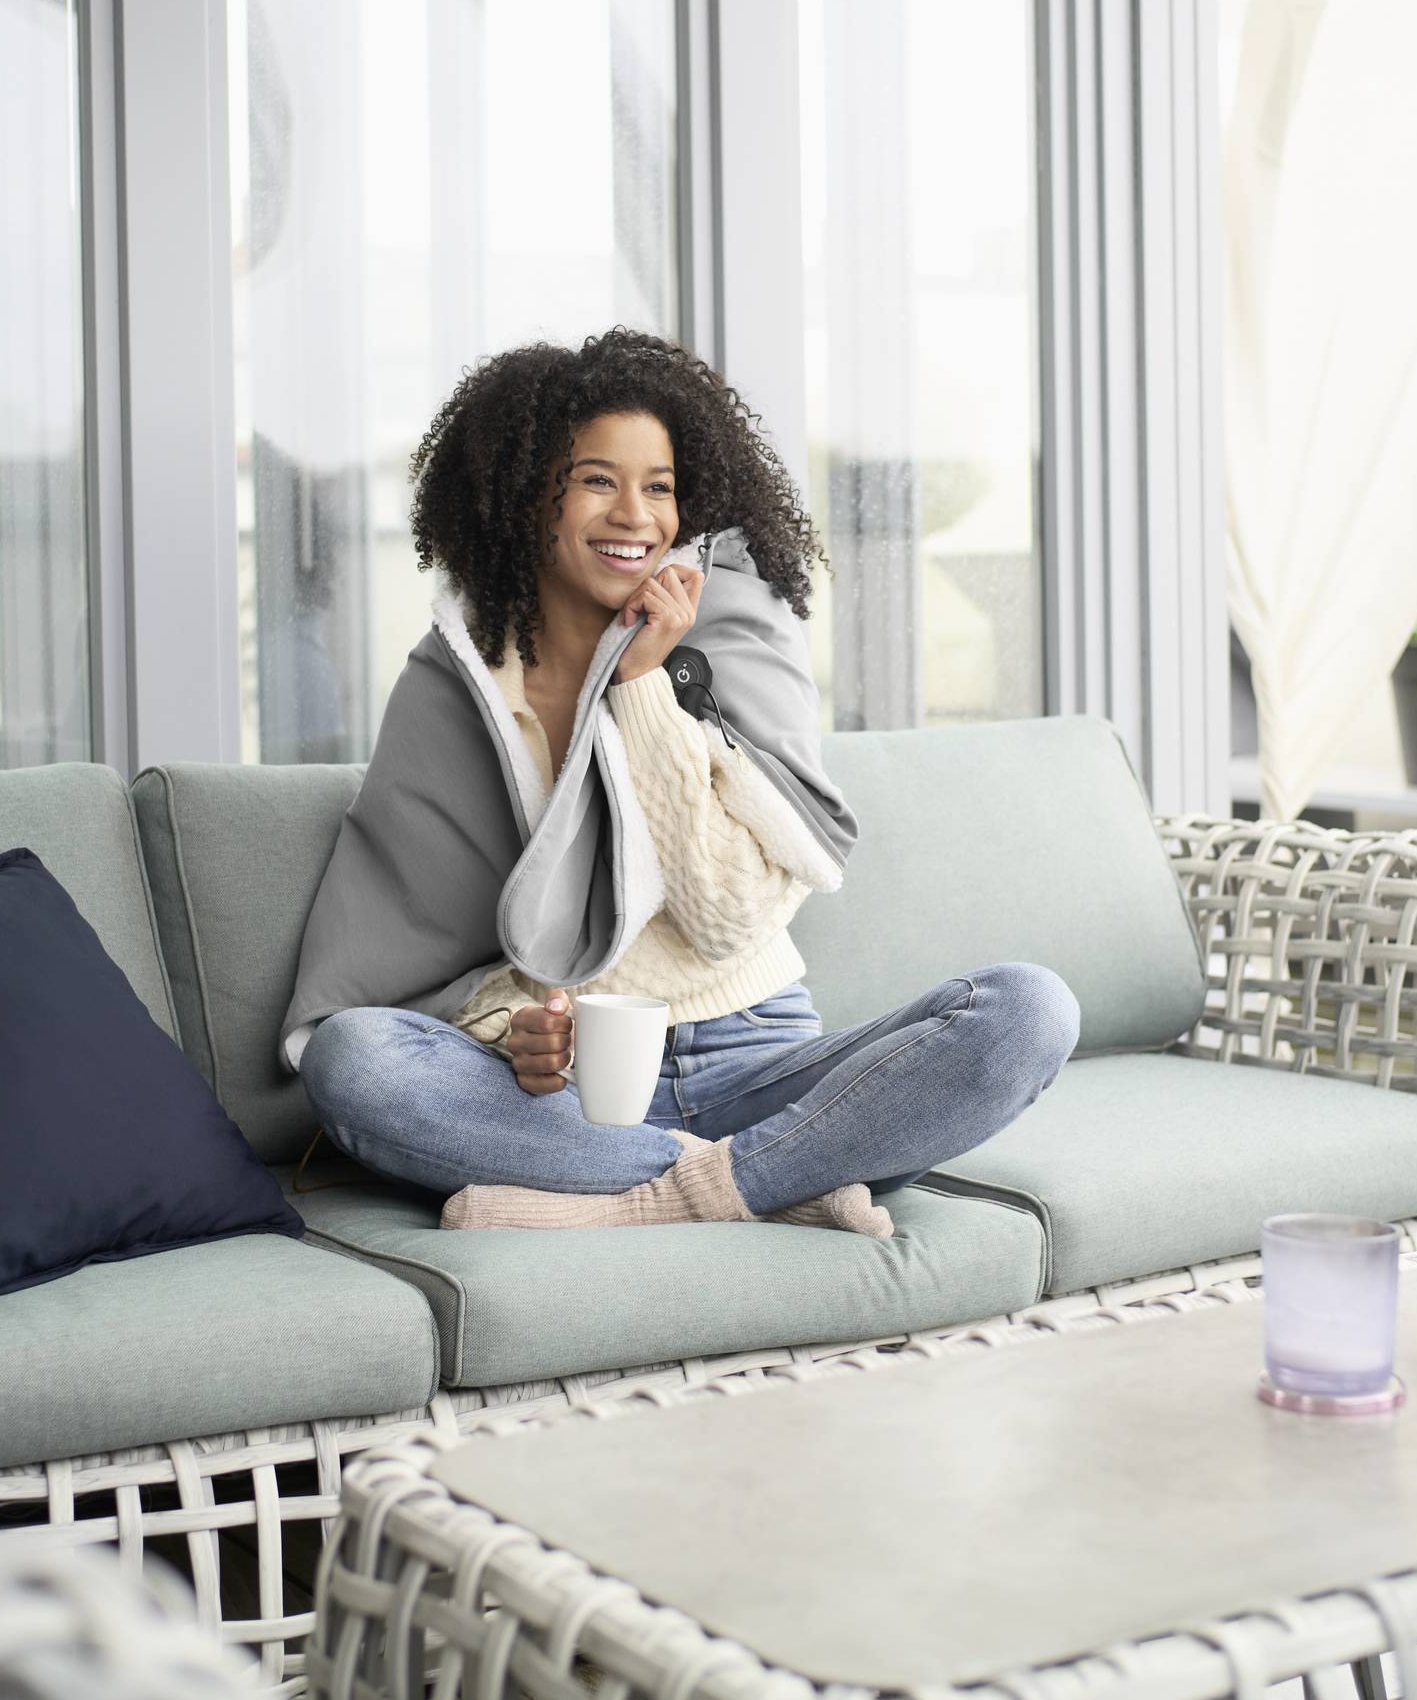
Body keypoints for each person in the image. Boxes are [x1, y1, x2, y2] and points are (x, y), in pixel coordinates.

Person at [282, 328, 1078, 1235]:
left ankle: (649, 1200)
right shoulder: (455, 681)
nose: (636, 516)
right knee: (353, 1062)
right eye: (596, 480)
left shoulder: (732, 632)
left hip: (758, 1060)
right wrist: (515, 1039)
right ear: (524, 493)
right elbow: (418, 956)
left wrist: (643, 689)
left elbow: (723, 913)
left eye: (659, 487)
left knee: (1025, 1012)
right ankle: (782, 1177)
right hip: (567, 1102)